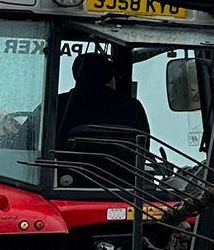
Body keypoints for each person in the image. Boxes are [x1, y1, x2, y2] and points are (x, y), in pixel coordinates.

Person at [55, 49, 150, 182]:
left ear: (75, 75)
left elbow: (28, 142)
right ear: (111, 77)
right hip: (127, 187)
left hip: (64, 182)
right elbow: (143, 149)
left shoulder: (57, 104)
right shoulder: (132, 107)